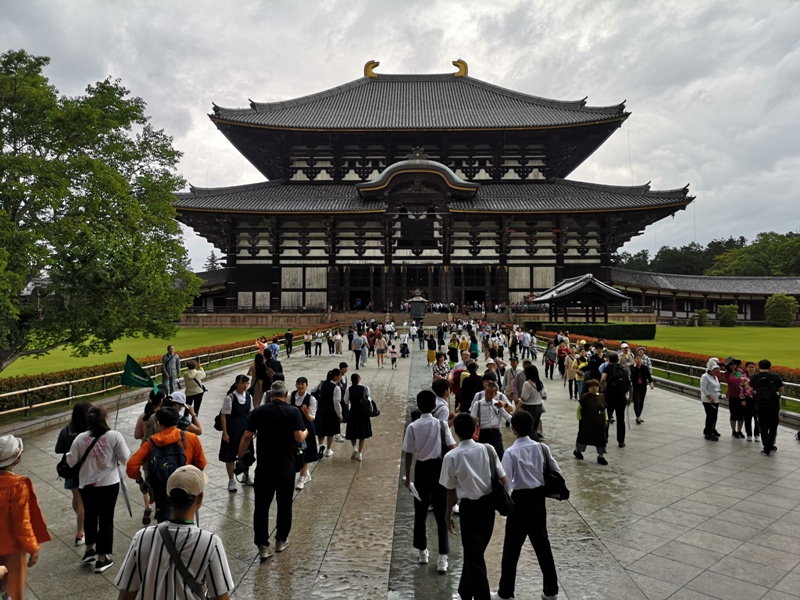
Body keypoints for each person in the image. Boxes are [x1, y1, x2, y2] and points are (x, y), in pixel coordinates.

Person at [114, 465, 235, 600]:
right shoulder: (210, 543)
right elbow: (221, 597)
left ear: (169, 496)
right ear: (199, 498)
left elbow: (126, 594)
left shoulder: (141, 537)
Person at [492, 411, 561, 600]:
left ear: (513, 430)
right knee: (543, 546)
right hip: (538, 501)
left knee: (512, 549)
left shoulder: (511, 452)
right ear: (532, 427)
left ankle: (506, 592)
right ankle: (551, 590)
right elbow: (556, 471)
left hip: (520, 501)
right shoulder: (542, 448)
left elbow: (507, 483)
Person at [440, 413, 507, 600]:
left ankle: (482, 596)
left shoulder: (451, 456)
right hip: (487, 508)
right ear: (475, 429)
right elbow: (503, 478)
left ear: (456, 431)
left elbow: (450, 490)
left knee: (474, 554)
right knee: (475, 552)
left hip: (468, 509)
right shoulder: (488, 449)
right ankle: (465, 591)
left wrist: (447, 514)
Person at [238, 381, 307, 559]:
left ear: (270, 395)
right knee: (284, 504)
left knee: (261, 506)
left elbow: (247, 435)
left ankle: (262, 545)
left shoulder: (259, 411)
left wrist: (240, 456)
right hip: (286, 466)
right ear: (286, 396)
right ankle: (281, 540)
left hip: (264, 466)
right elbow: (299, 437)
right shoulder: (293, 411)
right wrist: (306, 432)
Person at [66, 406, 131, 573]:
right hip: (108, 483)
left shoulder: (80, 438)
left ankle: (89, 548)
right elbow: (125, 458)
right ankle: (102, 558)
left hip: (87, 483)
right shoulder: (114, 436)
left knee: (90, 515)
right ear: (105, 418)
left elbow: (71, 461)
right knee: (106, 518)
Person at [402, 390, 457, 574]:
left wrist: (408, 477)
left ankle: (422, 551)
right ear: (435, 406)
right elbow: (452, 447)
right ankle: (442, 557)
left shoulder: (413, 427)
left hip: (421, 470)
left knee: (420, 512)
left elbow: (409, 453)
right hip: (439, 470)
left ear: (418, 406)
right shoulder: (441, 425)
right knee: (442, 514)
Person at [127, 408, 207, 523]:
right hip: (186, 487)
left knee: (164, 522)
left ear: (159, 424)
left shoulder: (151, 443)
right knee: (186, 520)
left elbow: (131, 466)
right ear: (177, 421)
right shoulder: (190, 438)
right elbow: (201, 464)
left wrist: (140, 481)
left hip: (161, 489)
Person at [0, 435, 50, 600]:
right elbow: (21, 522)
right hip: (12, 550)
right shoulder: (17, 485)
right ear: (15, 459)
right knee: (12, 591)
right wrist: (33, 547)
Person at [54, 401, 91, 545]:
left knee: (77, 497)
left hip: (70, 468)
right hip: (86, 468)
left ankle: (82, 521)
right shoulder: (91, 431)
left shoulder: (66, 430)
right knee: (83, 501)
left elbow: (58, 449)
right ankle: (80, 533)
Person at [219, 375, 254, 492]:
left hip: (245, 429)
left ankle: (246, 475)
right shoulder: (230, 398)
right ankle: (231, 480)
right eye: (243, 383)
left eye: (247, 383)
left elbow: (250, 413)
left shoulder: (249, 396)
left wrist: (253, 428)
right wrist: (225, 433)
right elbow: (223, 416)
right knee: (230, 455)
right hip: (232, 429)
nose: (245, 386)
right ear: (236, 384)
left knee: (246, 453)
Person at [469, 380, 512, 460]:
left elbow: (507, 416)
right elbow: (472, 418)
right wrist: (475, 421)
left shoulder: (498, 404)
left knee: (500, 455)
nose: (488, 395)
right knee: (482, 457)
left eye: (491, 393)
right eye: (487, 392)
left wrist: (518, 421)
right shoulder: (478, 404)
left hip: (495, 433)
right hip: (483, 434)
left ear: (495, 394)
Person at [749, 359, 783, 456]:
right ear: (770, 367)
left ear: (759, 367)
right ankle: (771, 445)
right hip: (773, 404)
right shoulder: (776, 377)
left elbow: (751, 389)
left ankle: (766, 447)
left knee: (763, 426)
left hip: (760, 404)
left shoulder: (754, 377)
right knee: (773, 426)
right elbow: (781, 389)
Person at [289, 378, 317, 490]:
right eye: (298, 384)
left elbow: (312, 418)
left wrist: (306, 413)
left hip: (306, 428)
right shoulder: (291, 397)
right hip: (293, 428)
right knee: (295, 452)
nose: (300, 386)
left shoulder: (311, 399)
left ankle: (301, 478)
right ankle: (306, 472)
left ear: (306, 385)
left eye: (302, 384)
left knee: (305, 453)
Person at [573, 379, 609, 465]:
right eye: (593, 387)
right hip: (586, 422)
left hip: (599, 422)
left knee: (601, 439)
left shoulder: (600, 397)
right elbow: (578, 409)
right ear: (589, 388)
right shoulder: (585, 397)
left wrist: (606, 419)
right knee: (583, 437)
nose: (595, 388)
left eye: (596, 386)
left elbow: (604, 409)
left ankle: (601, 456)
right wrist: (580, 419)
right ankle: (578, 451)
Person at [600, 354, 631, 448]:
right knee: (621, 419)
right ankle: (621, 441)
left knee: (607, 418)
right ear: (618, 360)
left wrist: (603, 391)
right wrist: (630, 398)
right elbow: (629, 383)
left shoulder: (607, 368)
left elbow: (603, 379)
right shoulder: (623, 369)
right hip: (621, 397)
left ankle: (605, 438)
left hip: (610, 396)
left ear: (609, 360)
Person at [314, 368, 343, 457]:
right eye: (340, 376)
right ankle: (328, 450)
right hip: (331, 412)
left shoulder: (322, 384)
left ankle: (320, 446)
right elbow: (336, 402)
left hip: (321, 409)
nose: (340, 378)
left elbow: (312, 390)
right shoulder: (336, 388)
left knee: (321, 430)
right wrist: (340, 414)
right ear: (335, 377)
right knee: (331, 431)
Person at [344, 373, 373, 461]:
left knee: (352, 432)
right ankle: (360, 454)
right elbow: (369, 398)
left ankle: (354, 448)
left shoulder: (349, 389)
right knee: (362, 434)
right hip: (363, 413)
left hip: (353, 412)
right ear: (359, 379)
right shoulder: (365, 388)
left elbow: (345, 401)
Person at [518, 365, 547, 441]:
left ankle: (536, 442)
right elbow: (545, 396)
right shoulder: (540, 383)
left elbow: (523, 398)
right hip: (539, 407)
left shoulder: (527, 384)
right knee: (534, 427)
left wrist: (516, 410)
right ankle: (534, 442)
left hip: (530, 408)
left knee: (528, 429)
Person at [700, 358, 723, 441]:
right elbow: (703, 388)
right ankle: (708, 432)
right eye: (714, 369)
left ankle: (712, 429)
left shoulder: (714, 377)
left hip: (716, 399)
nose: (716, 371)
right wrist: (709, 397)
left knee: (714, 416)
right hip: (708, 401)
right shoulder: (705, 377)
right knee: (710, 416)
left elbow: (717, 387)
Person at [723, 357, 745, 438]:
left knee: (741, 414)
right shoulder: (727, 373)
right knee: (733, 413)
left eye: (734, 364)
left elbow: (741, 380)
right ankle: (733, 430)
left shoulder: (740, 371)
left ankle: (739, 430)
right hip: (733, 395)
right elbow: (731, 381)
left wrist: (741, 385)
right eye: (731, 364)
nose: (733, 366)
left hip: (741, 395)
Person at [630, 354, 654, 425]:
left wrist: (651, 383)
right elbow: (633, 373)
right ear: (634, 360)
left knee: (641, 401)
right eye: (637, 359)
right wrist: (635, 366)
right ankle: (637, 416)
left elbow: (648, 376)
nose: (639, 360)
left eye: (640, 359)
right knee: (636, 401)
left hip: (643, 386)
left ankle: (639, 415)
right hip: (636, 386)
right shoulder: (632, 367)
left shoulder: (644, 367)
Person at [740, 361, 761, 442]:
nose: (751, 369)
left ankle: (757, 434)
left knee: (757, 418)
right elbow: (741, 389)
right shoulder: (743, 377)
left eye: (753, 367)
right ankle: (749, 434)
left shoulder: (758, 377)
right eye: (749, 367)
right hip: (747, 399)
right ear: (746, 368)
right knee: (747, 417)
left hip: (757, 399)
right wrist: (743, 399)